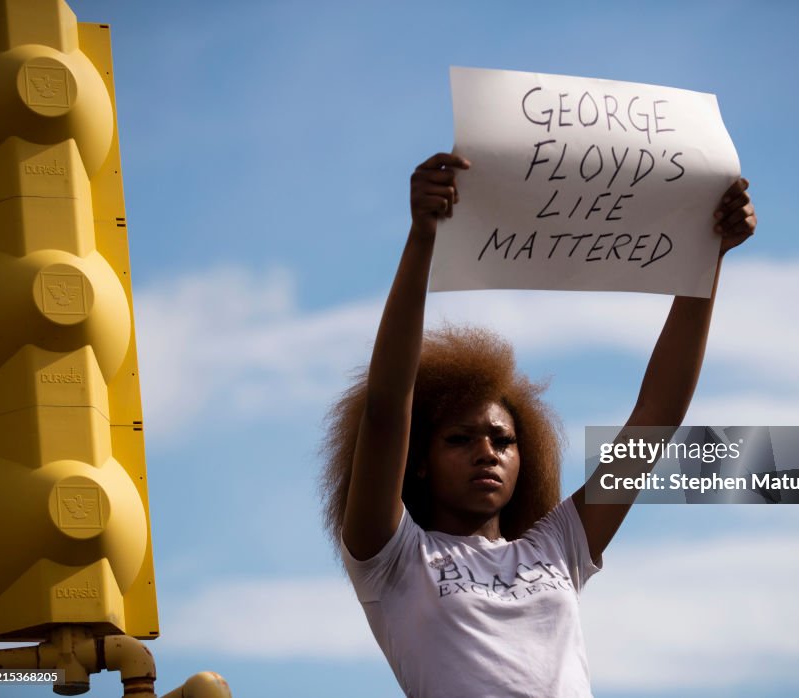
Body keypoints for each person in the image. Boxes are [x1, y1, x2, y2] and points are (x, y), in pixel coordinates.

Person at [321, 153, 756, 697]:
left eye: (503, 440)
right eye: (460, 439)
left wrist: (708, 254)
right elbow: (388, 408)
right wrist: (422, 238)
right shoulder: (393, 558)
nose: (488, 452)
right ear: (420, 464)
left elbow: (655, 416)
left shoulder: (559, 547)